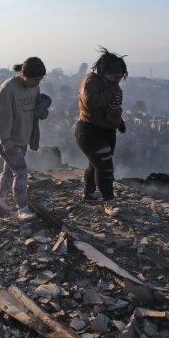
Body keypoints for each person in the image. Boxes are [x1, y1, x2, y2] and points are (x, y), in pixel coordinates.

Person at [0, 56, 48, 221]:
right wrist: (7, 143)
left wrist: (42, 112)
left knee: (9, 170)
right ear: (24, 75)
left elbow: (34, 111)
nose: (38, 82)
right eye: (35, 79)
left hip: (23, 137)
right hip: (7, 139)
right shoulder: (8, 89)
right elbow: (0, 119)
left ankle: (0, 199)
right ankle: (22, 208)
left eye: (41, 79)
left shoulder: (34, 88)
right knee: (21, 172)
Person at [75, 46, 128, 217]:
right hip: (89, 131)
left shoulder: (111, 84)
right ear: (105, 72)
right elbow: (90, 102)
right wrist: (111, 91)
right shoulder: (91, 81)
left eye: (120, 77)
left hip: (107, 130)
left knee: (95, 164)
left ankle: (89, 193)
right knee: (105, 167)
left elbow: (111, 107)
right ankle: (109, 202)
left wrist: (119, 121)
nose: (118, 80)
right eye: (115, 77)